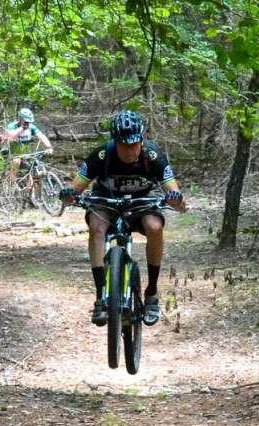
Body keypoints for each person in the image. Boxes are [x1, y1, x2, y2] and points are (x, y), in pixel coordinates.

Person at [60, 111, 186, 327]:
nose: (129, 150)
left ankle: (152, 293)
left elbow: (174, 192)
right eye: (123, 145)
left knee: (155, 227)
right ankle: (101, 296)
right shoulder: (101, 155)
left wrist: (175, 198)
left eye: (134, 144)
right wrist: (69, 194)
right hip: (106, 200)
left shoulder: (153, 156)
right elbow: (76, 187)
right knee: (97, 227)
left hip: (142, 201)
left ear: (142, 139)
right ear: (114, 141)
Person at [0, 107, 53, 173]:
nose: (27, 123)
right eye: (26, 121)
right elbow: (10, 137)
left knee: (35, 163)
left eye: (28, 122)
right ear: (21, 119)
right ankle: (12, 181)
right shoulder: (12, 126)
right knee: (16, 161)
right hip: (10, 153)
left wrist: (49, 147)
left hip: (25, 153)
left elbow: (41, 136)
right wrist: (22, 128)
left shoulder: (31, 127)